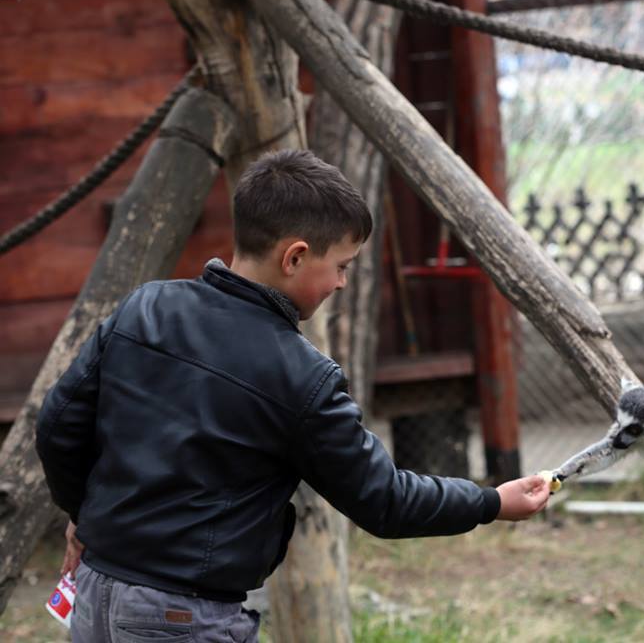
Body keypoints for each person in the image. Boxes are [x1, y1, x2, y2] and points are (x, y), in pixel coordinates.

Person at [35, 149, 551, 642]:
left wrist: (86, 516)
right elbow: (385, 500)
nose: (343, 283)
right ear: (296, 257)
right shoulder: (303, 378)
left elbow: (57, 428)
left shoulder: (144, 308)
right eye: (342, 265)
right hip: (182, 617)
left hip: (96, 592)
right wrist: (490, 502)